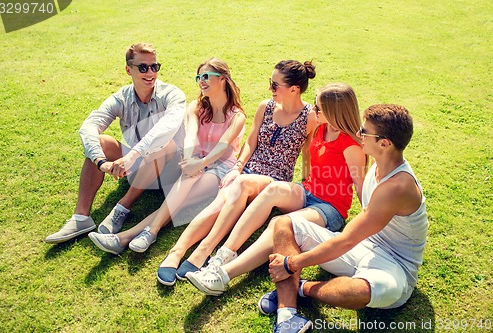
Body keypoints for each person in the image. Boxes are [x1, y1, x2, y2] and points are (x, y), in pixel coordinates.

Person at [186, 83, 367, 294]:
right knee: (271, 191)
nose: (313, 111)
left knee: (278, 224)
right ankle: (223, 255)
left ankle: (223, 275)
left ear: (335, 112)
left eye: (318, 108)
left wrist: (370, 225)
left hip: (330, 207)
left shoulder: (351, 145)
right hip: (308, 191)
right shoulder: (321, 128)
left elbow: (361, 185)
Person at [264, 104, 427, 332]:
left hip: (395, 266)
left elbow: (346, 240)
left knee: (360, 291)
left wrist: (291, 264)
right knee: (284, 223)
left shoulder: (398, 186)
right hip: (364, 247)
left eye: (364, 132)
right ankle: (287, 315)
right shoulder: (379, 165)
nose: (358, 134)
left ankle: (301, 288)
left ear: (384, 143)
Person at [156, 60, 318, 286]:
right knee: (218, 205)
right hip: (247, 171)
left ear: (294, 89)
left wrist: (307, 183)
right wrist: (237, 167)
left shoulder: (310, 117)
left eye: (275, 85)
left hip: (274, 179)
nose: (270, 89)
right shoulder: (266, 106)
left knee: (239, 187)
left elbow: (308, 154)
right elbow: (251, 142)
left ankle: (202, 251)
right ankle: (176, 251)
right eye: (270, 83)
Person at [86, 58, 246, 255]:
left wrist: (201, 163)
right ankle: (139, 235)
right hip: (195, 160)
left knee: (180, 200)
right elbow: (191, 134)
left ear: (222, 79)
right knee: (183, 188)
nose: (201, 81)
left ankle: (129, 236)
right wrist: (189, 159)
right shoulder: (196, 107)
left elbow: (223, 146)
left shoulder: (237, 116)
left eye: (206, 76)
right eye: (198, 77)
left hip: (220, 168)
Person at [45, 42, 186, 244]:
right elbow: (89, 126)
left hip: (170, 173)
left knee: (165, 143)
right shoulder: (122, 97)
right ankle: (81, 217)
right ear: (128, 70)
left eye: (154, 66)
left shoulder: (172, 95)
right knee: (101, 141)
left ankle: (122, 207)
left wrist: (132, 156)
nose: (150, 72)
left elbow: (166, 129)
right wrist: (101, 162)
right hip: (137, 168)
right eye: (143, 67)